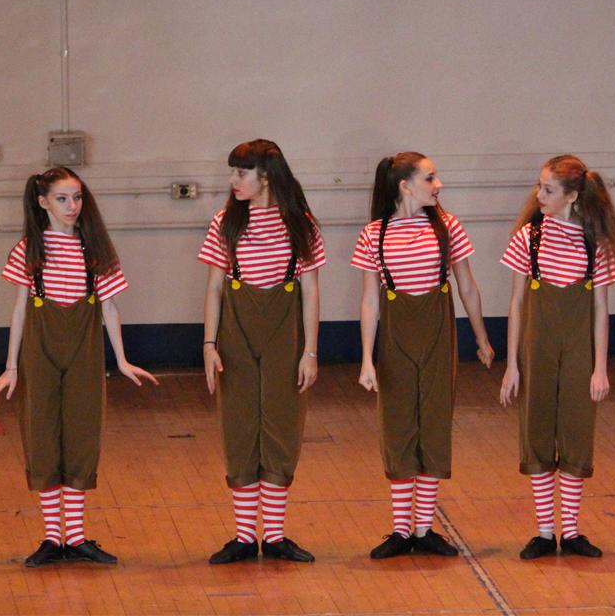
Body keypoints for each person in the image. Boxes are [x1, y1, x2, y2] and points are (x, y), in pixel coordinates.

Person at [0, 166, 158, 567]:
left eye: (77, 197)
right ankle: (53, 537)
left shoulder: (93, 250)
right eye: (62, 198)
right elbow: (19, 310)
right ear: (43, 202)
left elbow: (109, 308)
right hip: (39, 353)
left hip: (84, 352)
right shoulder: (29, 250)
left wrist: (121, 359)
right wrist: (11, 367)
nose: (72, 206)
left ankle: (77, 537)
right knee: (43, 435)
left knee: (82, 435)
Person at [355, 152, 494, 559]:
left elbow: (467, 286)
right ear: (405, 185)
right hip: (396, 337)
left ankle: (424, 528)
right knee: (398, 423)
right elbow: (370, 300)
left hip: (437, 333)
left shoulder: (448, 228)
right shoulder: (374, 234)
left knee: (434, 421)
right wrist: (367, 358)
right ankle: (401, 530)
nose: (438, 185)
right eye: (430, 178)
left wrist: (482, 338)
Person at [199, 140, 324, 564]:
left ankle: (274, 536)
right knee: (239, 427)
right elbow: (214, 288)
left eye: (241, 172)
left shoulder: (300, 224)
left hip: (284, 335)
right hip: (236, 333)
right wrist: (209, 344)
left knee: (281, 427)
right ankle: (242, 536)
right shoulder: (225, 223)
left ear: (266, 177)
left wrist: (310, 351)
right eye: (233, 172)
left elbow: (310, 290)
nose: (233, 180)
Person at [499, 155, 615, 560]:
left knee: (576, 430)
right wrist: (512, 365)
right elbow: (516, 303)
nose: (540, 195)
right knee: (536, 431)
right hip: (537, 349)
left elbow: (601, 308)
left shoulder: (594, 244)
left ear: (572, 196)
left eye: (548, 189)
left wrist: (600, 368)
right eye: (540, 186)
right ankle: (544, 532)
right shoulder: (528, 238)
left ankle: (571, 531)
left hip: (579, 352)